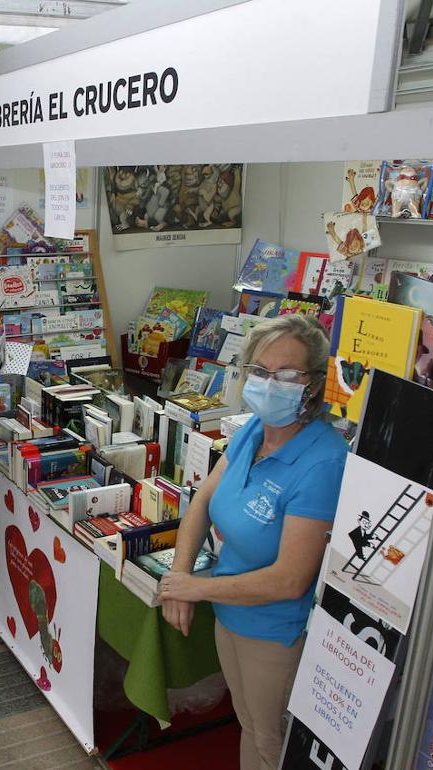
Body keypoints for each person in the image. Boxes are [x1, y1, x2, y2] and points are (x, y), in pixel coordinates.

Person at [158, 314, 348, 770]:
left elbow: (289, 580)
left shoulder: (322, 463)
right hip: (231, 617)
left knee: (271, 741)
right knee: (251, 727)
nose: (269, 383)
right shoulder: (254, 432)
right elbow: (204, 499)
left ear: (315, 385)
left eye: (287, 374)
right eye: (260, 372)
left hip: (276, 633)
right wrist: (182, 570)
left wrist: (194, 588)